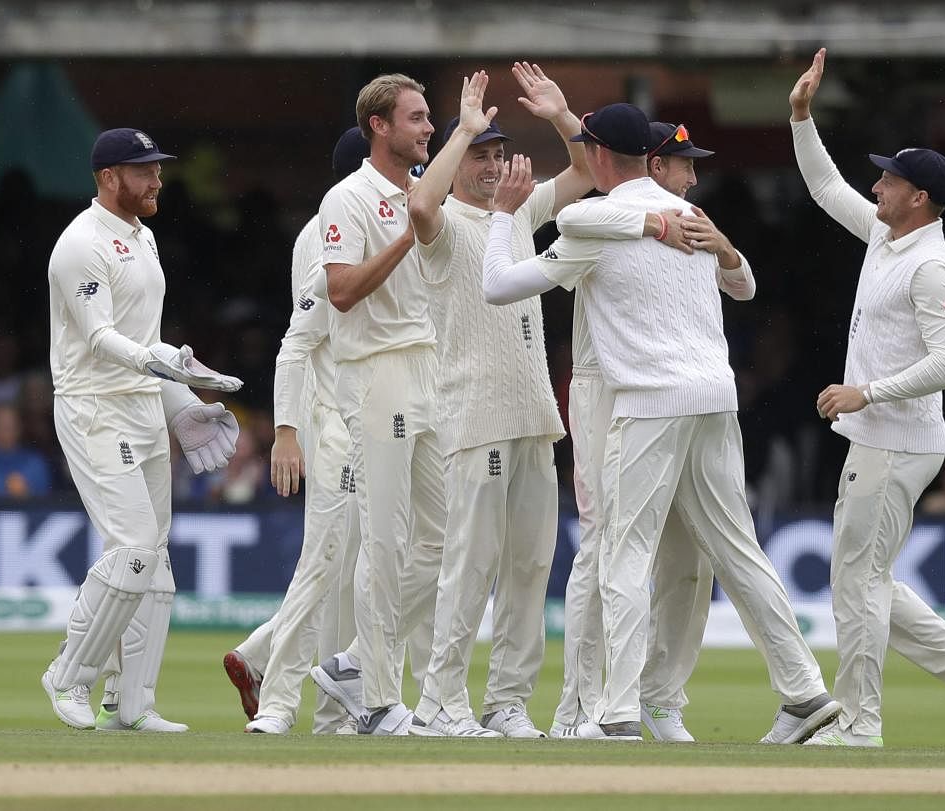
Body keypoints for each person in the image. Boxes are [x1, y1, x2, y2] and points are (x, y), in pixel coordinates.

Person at [483, 103, 839, 742]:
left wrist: (502, 219)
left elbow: (501, 284)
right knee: (737, 550)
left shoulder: (606, 222)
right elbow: (590, 216)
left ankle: (617, 710)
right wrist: (653, 222)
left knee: (624, 551)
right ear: (651, 161)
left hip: (649, 403)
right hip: (714, 399)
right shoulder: (682, 216)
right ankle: (805, 689)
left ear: (595, 157)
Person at [789, 48, 945, 747]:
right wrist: (801, 116)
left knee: (855, 581)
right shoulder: (887, 239)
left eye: (889, 178)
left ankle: (858, 723)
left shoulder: (930, 262)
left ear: (918, 196)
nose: (877, 183)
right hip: (883, 437)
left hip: (896, 437)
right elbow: (827, 190)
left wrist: (866, 391)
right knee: (865, 576)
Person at [404, 65, 594, 738]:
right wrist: (463, 128)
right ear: (456, 162)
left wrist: (562, 117)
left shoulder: (517, 213)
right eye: (479, 157)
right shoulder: (446, 224)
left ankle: (507, 700)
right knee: (472, 562)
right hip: (474, 417)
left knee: (528, 566)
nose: (489, 166)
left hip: (535, 417)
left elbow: (586, 174)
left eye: (495, 155)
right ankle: (438, 701)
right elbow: (420, 207)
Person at [42, 127, 242, 733]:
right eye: (144, 170)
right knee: (131, 551)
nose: (157, 179)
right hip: (93, 406)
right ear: (109, 178)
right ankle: (68, 676)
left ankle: (131, 703)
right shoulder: (79, 245)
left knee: (153, 561)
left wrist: (178, 402)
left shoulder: (144, 237)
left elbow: (143, 334)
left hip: (141, 405)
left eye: (157, 168)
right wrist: (164, 366)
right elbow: (100, 338)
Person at [548, 121, 731, 742]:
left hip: (672, 398)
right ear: (652, 165)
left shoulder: (692, 221)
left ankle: (659, 696)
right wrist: (648, 224)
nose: (692, 177)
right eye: (683, 163)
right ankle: (583, 705)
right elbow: (569, 221)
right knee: (606, 546)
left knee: (691, 558)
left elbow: (741, 284)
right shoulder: (609, 218)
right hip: (608, 393)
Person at [307, 74, 448, 736]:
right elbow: (340, 291)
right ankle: (378, 698)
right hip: (377, 371)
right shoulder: (348, 198)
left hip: (429, 369)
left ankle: (355, 662)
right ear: (380, 127)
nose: (428, 128)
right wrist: (408, 237)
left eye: (430, 119)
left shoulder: (419, 193)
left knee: (449, 539)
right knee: (386, 536)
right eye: (417, 119)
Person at [223, 127, 369, 735]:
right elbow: (305, 337)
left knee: (352, 563)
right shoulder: (329, 230)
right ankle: (287, 698)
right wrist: (290, 430)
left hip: (362, 407)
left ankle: (268, 659)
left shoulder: (354, 219)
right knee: (330, 557)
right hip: (332, 408)